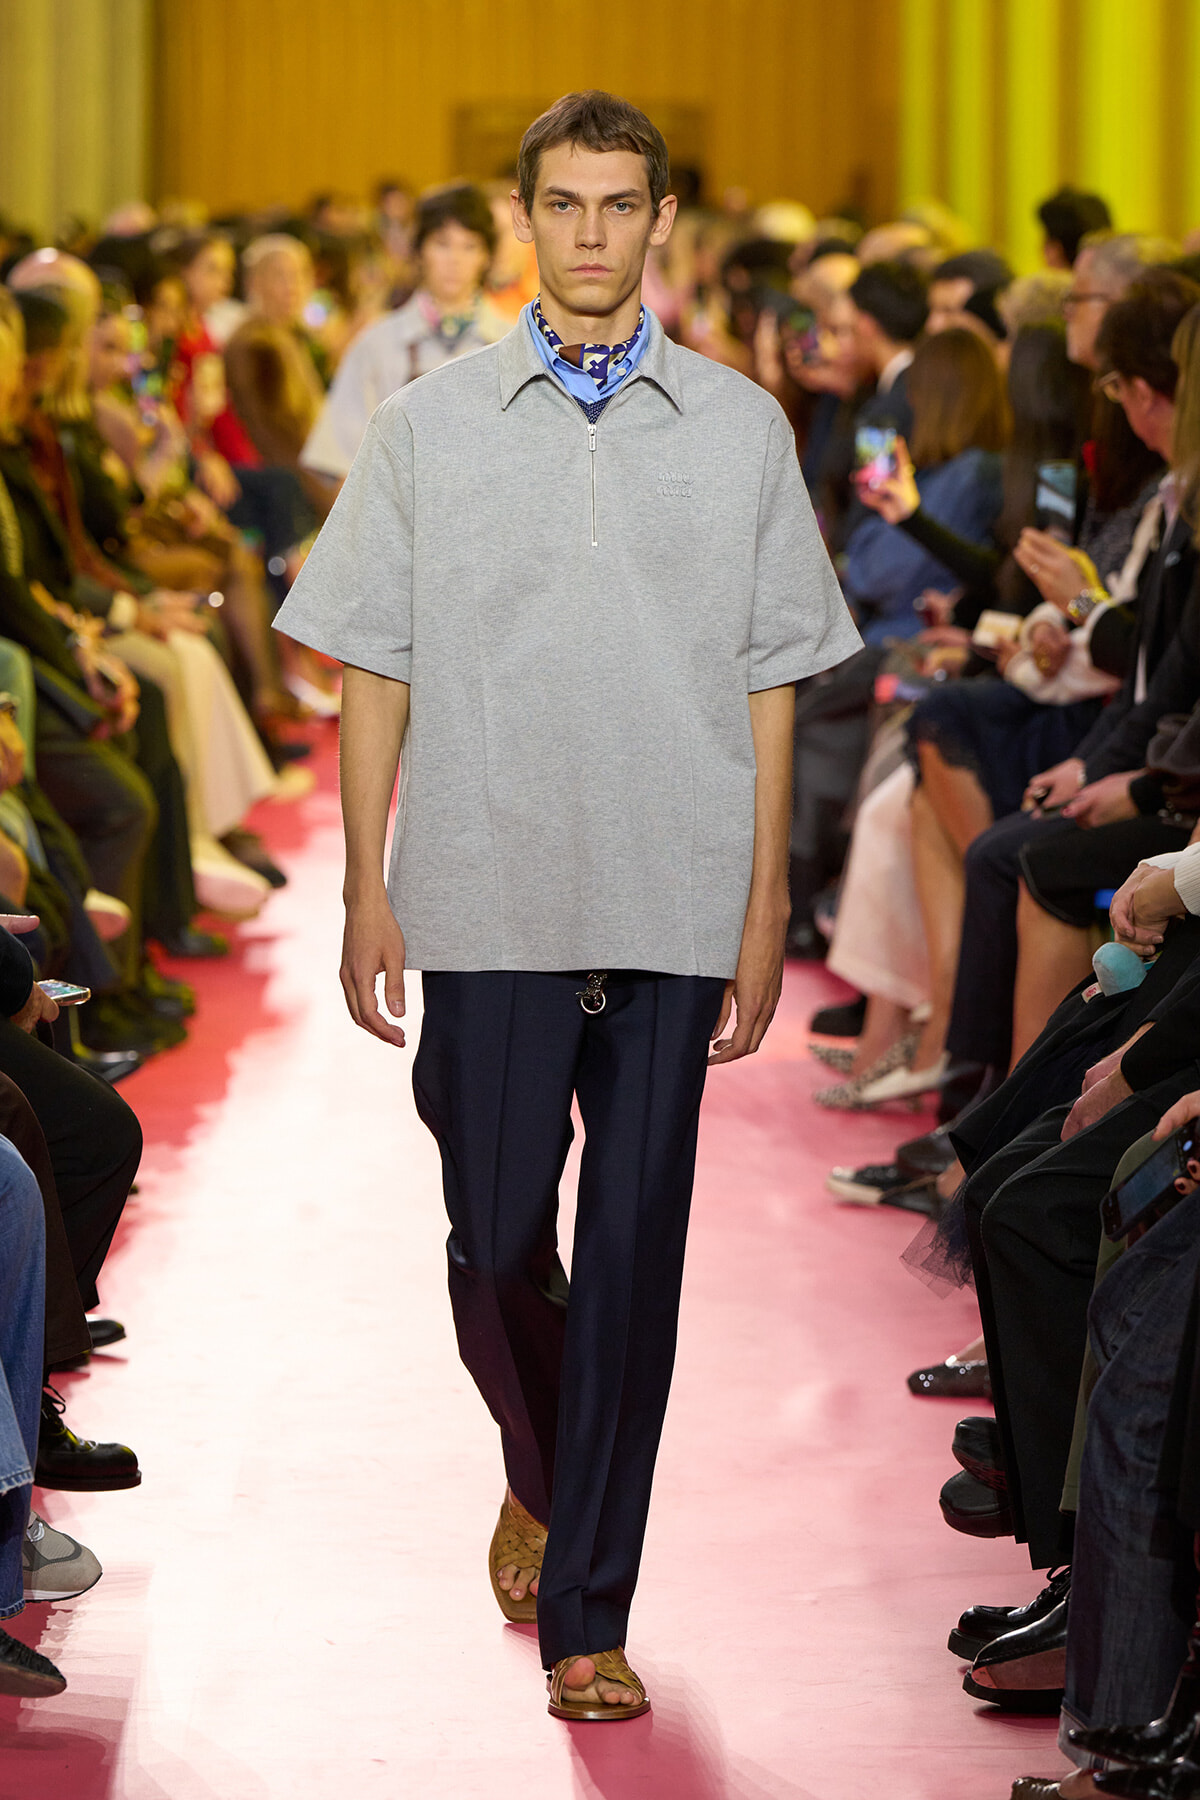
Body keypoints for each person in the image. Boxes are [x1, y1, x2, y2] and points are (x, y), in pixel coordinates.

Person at [273, 89, 859, 1721]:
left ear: (660, 220)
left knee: (635, 1267)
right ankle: (542, 1468)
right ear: (525, 217)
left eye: (622, 204)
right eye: (566, 204)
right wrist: (361, 887)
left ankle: (589, 1615)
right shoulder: (428, 424)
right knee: (489, 1238)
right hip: (481, 885)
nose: (593, 231)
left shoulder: (742, 427)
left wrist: (762, 912)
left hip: (673, 898)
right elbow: (367, 666)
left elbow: (771, 687)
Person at [300, 183, 509, 486]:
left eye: (470, 246)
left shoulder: (512, 341)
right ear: (419, 251)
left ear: (487, 257)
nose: (455, 260)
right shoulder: (377, 343)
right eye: (442, 244)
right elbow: (339, 461)